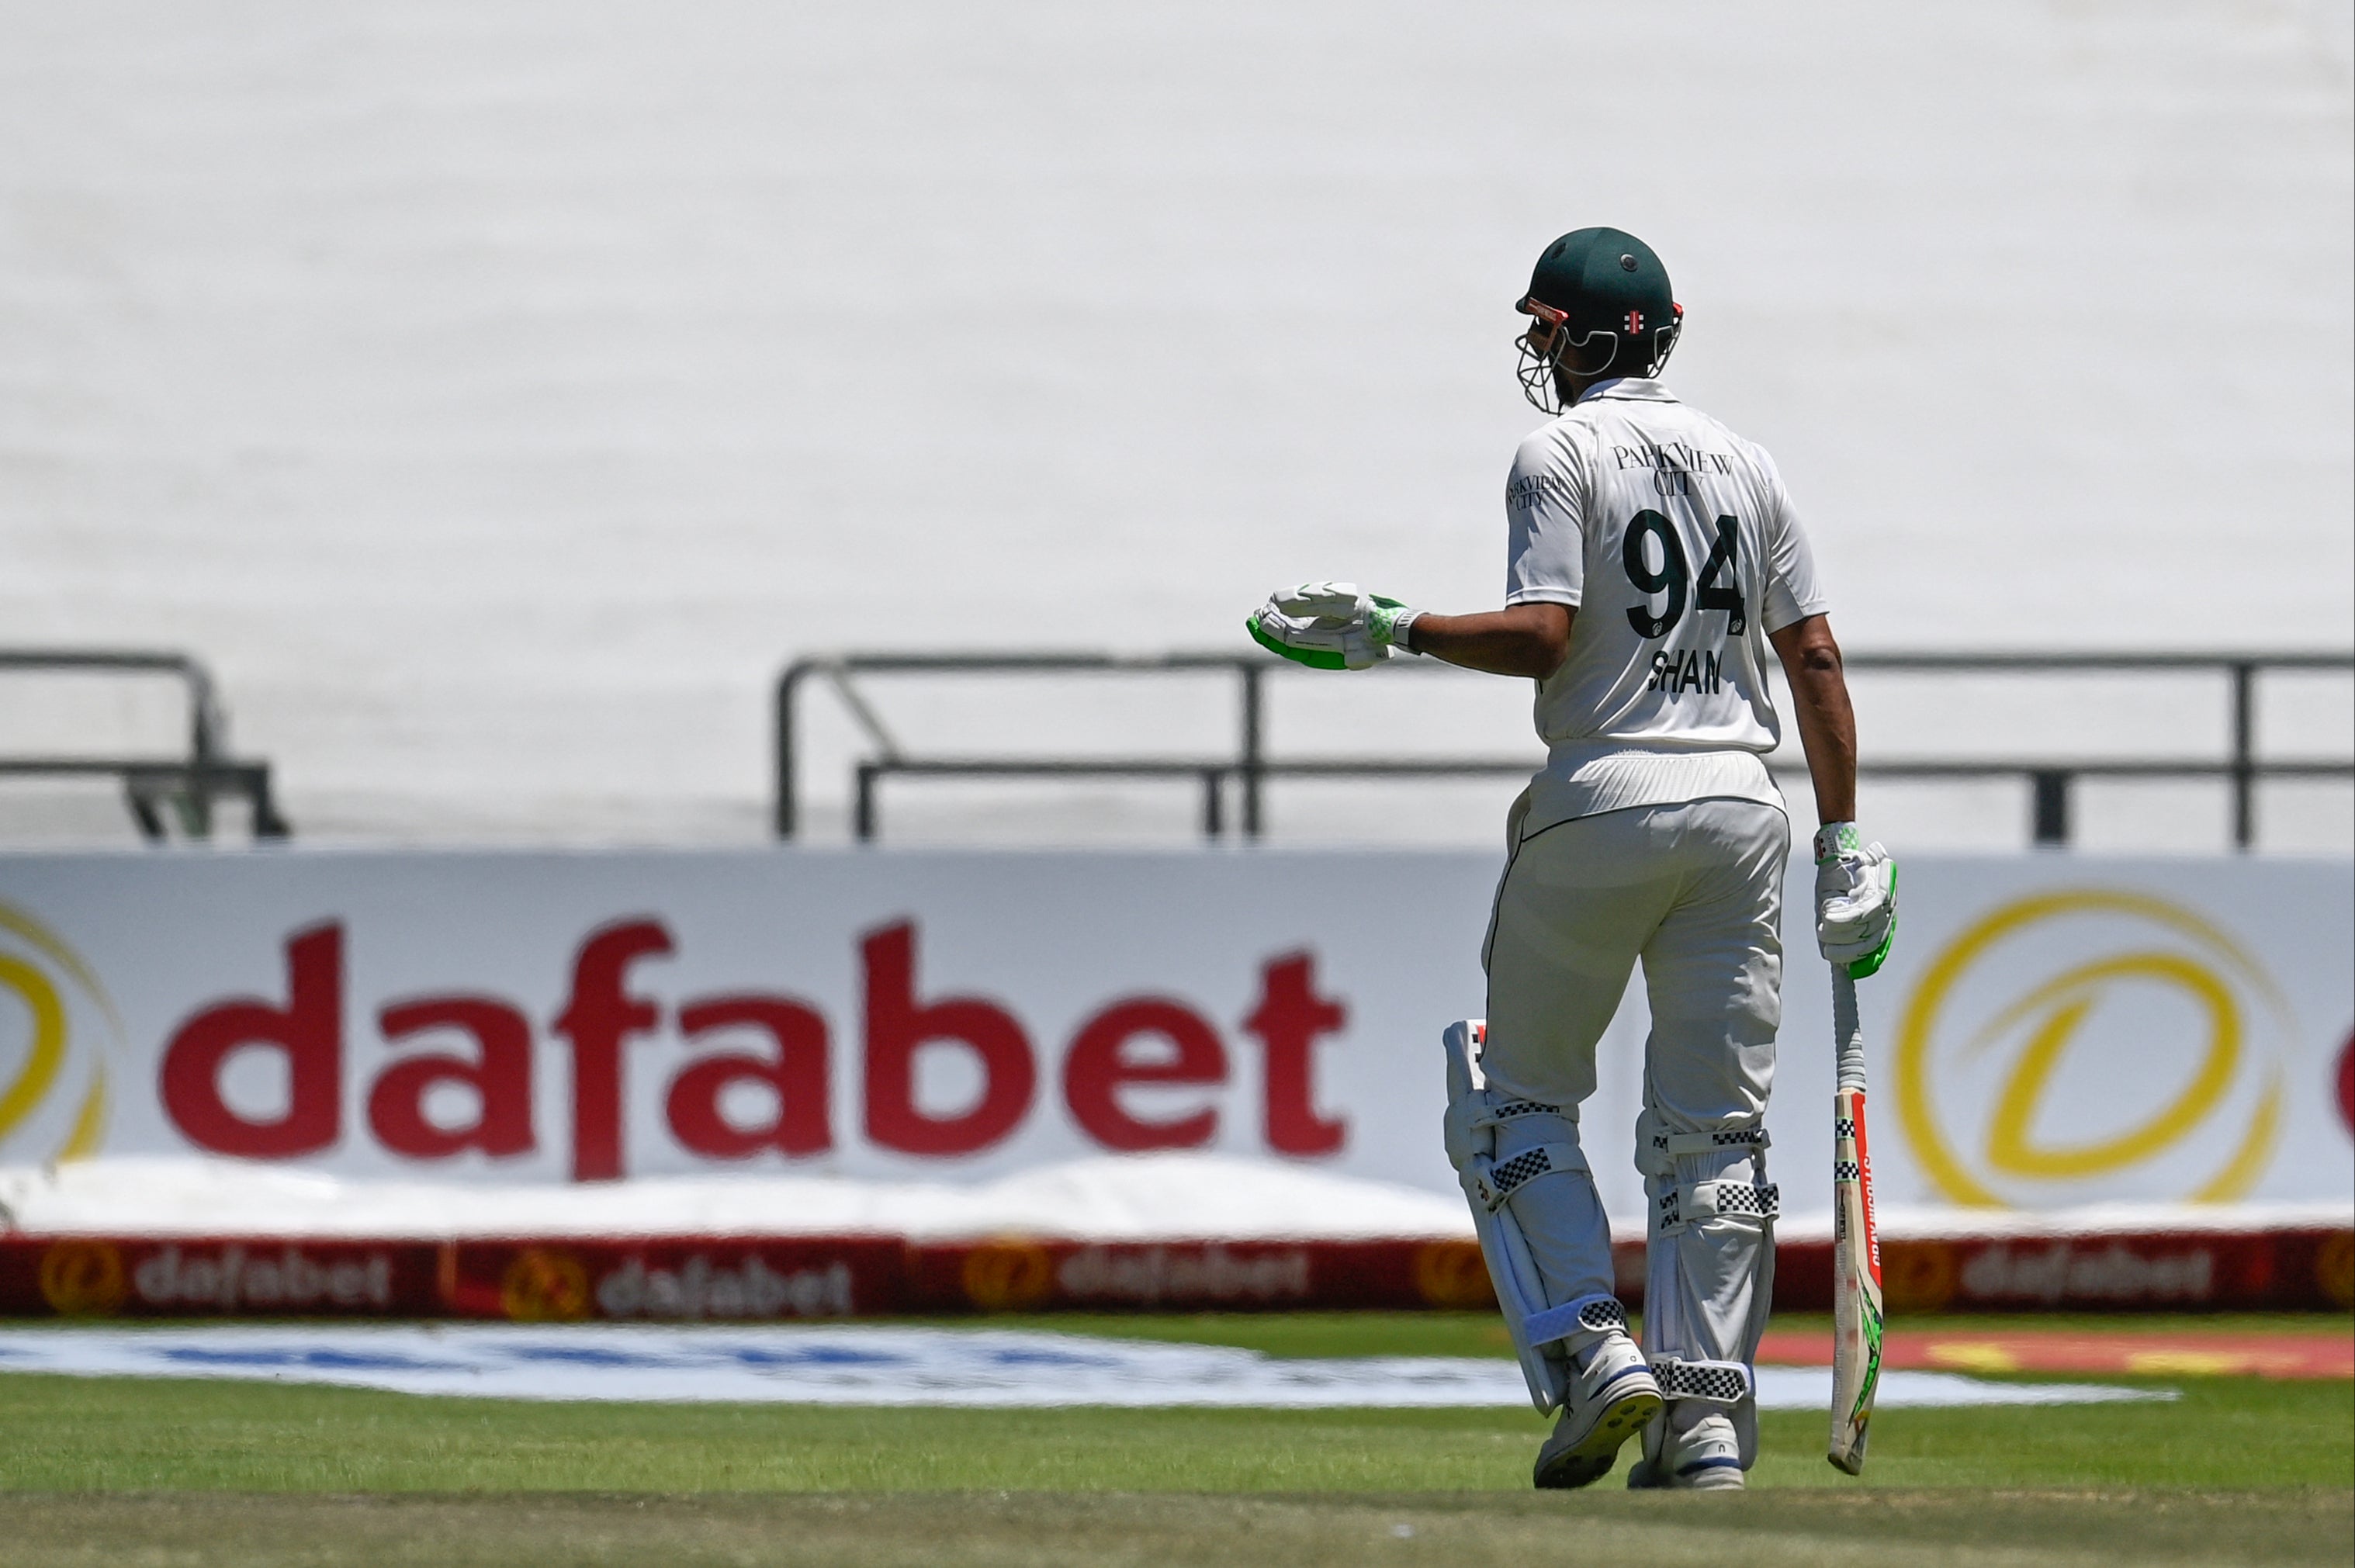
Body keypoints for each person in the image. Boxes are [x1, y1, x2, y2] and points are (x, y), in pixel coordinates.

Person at [1245, 227, 1896, 1490]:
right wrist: (1846, 839)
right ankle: (1706, 1413)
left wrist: (1398, 628)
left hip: (1601, 793)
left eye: (1548, 328)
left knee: (1516, 1096)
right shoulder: (1750, 463)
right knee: (1717, 1132)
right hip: (1740, 811)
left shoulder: (1558, 452)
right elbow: (1812, 656)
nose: (1539, 348)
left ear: (1592, 337)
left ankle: (1597, 1353)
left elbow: (1546, 636)